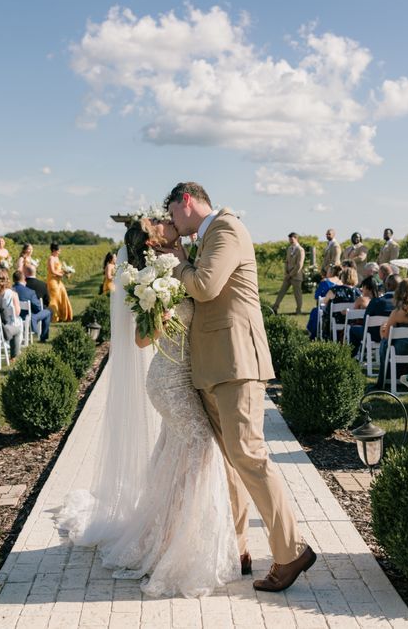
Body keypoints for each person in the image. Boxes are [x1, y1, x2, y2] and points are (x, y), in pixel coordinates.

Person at [58, 215, 240, 598]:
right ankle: (182, 548)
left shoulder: (180, 261)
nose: (169, 221)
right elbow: (142, 341)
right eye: (162, 221)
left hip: (186, 377)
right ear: (154, 240)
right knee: (201, 447)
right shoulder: (154, 278)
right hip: (168, 381)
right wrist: (160, 315)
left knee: (174, 456)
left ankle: (164, 536)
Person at [160, 182, 313, 592]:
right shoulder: (207, 236)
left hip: (235, 362)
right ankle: (238, 547)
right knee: (230, 463)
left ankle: (291, 551)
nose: (172, 222)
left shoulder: (226, 228)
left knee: (249, 456)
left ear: (186, 201)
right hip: (213, 366)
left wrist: (177, 262)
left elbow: (205, 286)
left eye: (172, 213)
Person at [375, 278, 408, 389]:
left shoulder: (397, 313)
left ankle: (382, 381)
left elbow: (387, 336)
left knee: (384, 343)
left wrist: (381, 330)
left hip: (400, 350)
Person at [0, 267, 24, 360]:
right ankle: (13, 355)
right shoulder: (12, 294)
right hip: (8, 325)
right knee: (18, 322)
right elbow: (17, 312)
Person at [320, 266, 360, 340]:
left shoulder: (334, 290)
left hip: (336, 320)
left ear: (342, 277)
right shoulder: (358, 293)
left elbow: (324, 302)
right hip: (352, 321)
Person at [13, 270, 51, 342]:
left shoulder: (9, 290)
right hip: (26, 317)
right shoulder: (30, 292)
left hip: (13, 317)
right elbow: (38, 308)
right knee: (48, 312)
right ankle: (43, 337)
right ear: (23, 279)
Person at [272, 232, 305, 315]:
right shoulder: (289, 248)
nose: (290, 240)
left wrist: (290, 274)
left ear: (296, 238)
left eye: (292, 239)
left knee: (297, 294)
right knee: (281, 292)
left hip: (296, 276)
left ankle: (298, 310)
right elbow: (286, 261)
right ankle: (275, 308)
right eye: (289, 239)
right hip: (288, 276)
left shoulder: (300, 250)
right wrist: (286, 273)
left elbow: (299, 265)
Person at [46, 242, 73, 322]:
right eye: (58, 250)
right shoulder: (51, 258)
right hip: (52, 280)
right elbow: (52, 271)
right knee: (55, 298)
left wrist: (66, 271)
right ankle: (54, 317)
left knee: (63, 295)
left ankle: (63, 315)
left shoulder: (57, 258)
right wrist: (62, 274)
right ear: (54, 250)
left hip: (59, 281)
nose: (60, 251)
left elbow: (59, 269)